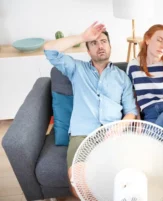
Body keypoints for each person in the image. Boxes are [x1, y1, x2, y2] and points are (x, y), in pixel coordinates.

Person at [44, 22, 137, 197]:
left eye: (103, 41)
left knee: (124, 178)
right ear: (88, 50)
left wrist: (121, 126)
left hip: (113, 135)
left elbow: (131, 110)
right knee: (77, 181)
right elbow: (49, 49)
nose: (100, 46)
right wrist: (82, 37)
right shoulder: (76, 69)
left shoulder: (122, 77)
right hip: (82, 135)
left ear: (110, 46)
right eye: (94, 43)